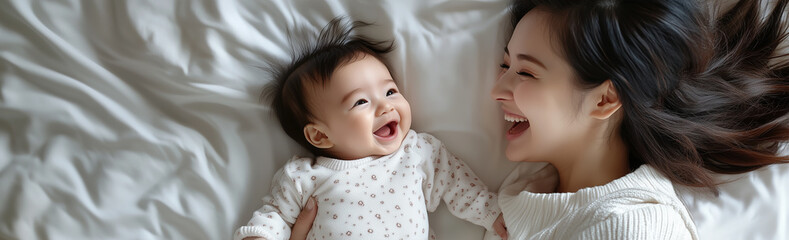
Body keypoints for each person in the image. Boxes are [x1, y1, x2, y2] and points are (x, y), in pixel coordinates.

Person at [286, 0, 789, 239]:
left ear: (604, 99)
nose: (496, 89)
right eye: (505, 63)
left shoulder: (635, 226)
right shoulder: (526, 191)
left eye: (525, 72)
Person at [234, 18, 507, 240]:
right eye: (361, 101)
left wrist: (492, 213)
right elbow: (275, 216)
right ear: (320, 135)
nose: (385, 107)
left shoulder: (416, 153)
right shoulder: (303, 177)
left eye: (390, 91)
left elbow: (457, 183)